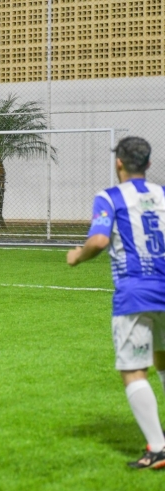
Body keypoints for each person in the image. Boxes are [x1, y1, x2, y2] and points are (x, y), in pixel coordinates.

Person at [67, 136, 165, 469]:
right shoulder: (163, 194)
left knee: (133, 370)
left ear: (118, 163)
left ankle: (158, 448)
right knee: (163, 360)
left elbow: (98, 239)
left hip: (135, 293)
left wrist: (78, 256)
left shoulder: (109, 197)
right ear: (148, 165)